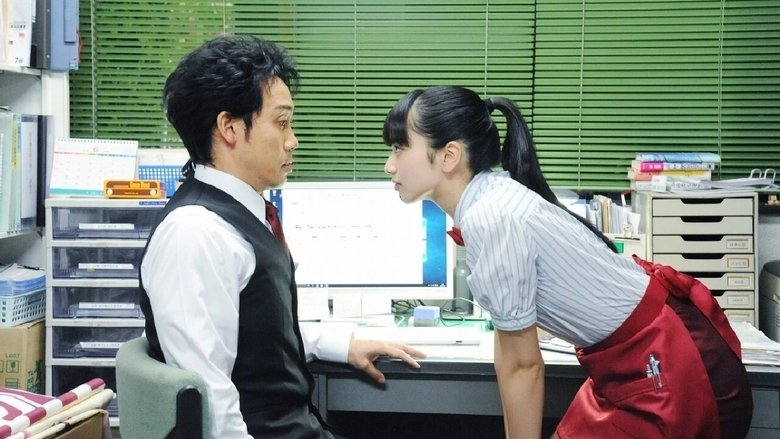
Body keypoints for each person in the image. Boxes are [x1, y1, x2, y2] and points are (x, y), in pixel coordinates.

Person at [382, 85, 753, 438]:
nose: (389, 165)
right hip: (633, 362)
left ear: (448, 156)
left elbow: (523, 366)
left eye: (399, 148)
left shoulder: (490, 216)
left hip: (674, 367)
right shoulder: (492, 197)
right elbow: (510, 350)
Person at [138, 35, 424, 439]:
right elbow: (211, 404)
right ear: (229, 127)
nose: (293, 140)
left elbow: (258, 337)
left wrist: (342, 345)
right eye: (281, 122)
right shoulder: (195, 233)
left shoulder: (243, 215)